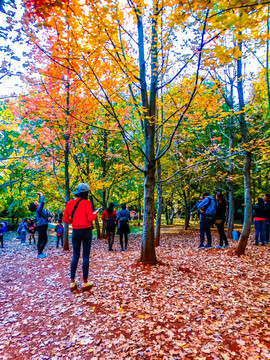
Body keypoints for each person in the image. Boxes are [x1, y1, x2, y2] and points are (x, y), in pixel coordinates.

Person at [63, 183, 99, 292]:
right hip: (86, 231)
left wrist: (73, 220)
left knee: (75, 256)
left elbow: (66, 220)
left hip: (75, 231)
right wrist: (95, 213)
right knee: (85, 257)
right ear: (86, 193)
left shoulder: (69, 204)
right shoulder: (86, 203)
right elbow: (90, 217)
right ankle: (85, 282)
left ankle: (72, 282)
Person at [29, 192, 49, 258]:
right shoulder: (39, 209)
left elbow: (40, 202)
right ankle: (40, 253)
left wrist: (39, 196)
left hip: (41, 226)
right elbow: (42, 203)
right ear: (36, 206)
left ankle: (39, 253)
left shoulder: (37, 209)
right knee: (45, 240)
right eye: (36, 203)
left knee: (40, 240)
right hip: (42, 226)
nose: (37, 202)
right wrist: (41, 195)